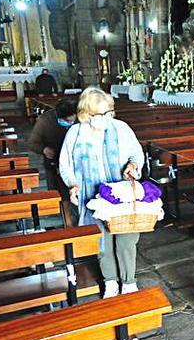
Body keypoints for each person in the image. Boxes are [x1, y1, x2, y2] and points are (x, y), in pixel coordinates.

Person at [59, 87, 144, 298]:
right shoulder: (75, 133)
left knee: (125, 239)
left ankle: (129, 281)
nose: (106, 118)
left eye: (109, 112)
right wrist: (72, 184)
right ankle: (111, 281)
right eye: (100, 114)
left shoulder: (121, 128)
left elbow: (136, 152)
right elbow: (65, 164)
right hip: (92, 195)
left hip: (120, 193)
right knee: (102, 241)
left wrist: (133, 164)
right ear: (86, 114)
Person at [30, 97, 77, 227]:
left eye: (73, 120)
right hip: (54, 162)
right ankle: (68, 223)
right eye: (68, 121)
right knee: (62, 195)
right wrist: (44, 149)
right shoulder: (44, 121)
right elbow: (32, 143)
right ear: (59, 116)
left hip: (75, 161)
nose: (71, 123)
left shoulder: (78, 119)